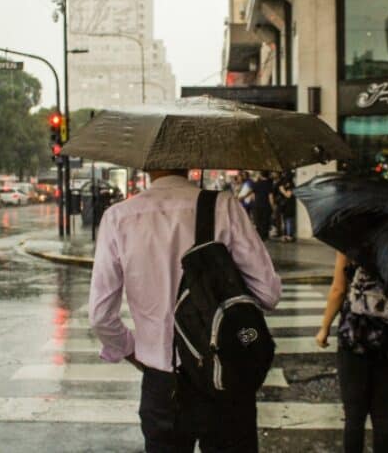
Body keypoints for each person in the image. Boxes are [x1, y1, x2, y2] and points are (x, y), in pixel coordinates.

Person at [89, 169, 281, 453]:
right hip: (224, 374)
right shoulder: (223, 206)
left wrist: (133, 350)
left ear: (146, 163)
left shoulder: (118, 217)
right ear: (191, 159)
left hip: (163, 383)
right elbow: (269, 293)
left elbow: (101, 316)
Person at [316, 252, 388, 453]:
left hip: (356, 333)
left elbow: (339, 289)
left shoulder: (353, 239)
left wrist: (324, 328)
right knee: (382, 412)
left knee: (354, 415)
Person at [251, 171, 274, 240]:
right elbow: (271, 197)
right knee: (265, 221)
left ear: (261, 175)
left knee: (258, 222)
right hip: (266, 205)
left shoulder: (256, 184)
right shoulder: (269, 184)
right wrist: (273, 206)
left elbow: (253, 196)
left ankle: (259, 236)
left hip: (257, 205)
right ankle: (264, 236)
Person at [278, 176, 296, 242]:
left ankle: (289, 236)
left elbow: (288, 195)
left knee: (288, 221)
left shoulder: (291, 185)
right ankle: (285, 235)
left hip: (289, 206)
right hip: (284, 206)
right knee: (285, 221)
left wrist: (282, 190)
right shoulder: (284, 185)